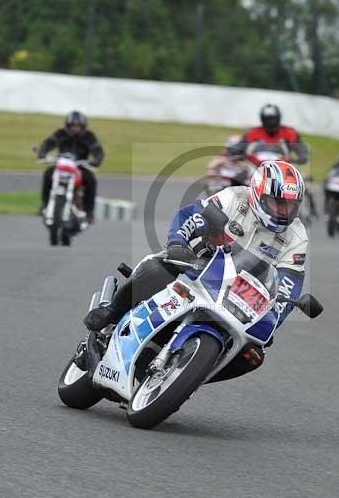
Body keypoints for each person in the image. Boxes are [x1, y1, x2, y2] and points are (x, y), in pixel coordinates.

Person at [85, 160, 308, 375]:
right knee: (157, 268)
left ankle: (193, 373)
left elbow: (289, 284)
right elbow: (191, 216)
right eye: (277, 203)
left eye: (290, 205)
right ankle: (113, 311)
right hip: (198, 265)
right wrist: (178, 243)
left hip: (239, 298)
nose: (283, 211)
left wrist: (275, 317)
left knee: (254, 354)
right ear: (258, 193)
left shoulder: (297, 237)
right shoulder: (233, 197)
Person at [38, 111, 104, 223]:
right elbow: (48, 143)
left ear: (83, 127)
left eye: (78, 127)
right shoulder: (60, 133)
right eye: (73, 126)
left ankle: (89, 211)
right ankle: (45, 205)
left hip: (80, 167)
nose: (75, 129)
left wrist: (96, 160)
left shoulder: (89, 136)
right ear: (68, 126)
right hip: (62, 165)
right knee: (48, 173)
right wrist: (42, 153)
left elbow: (97, 150)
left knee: (91, 180)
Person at [238, 104, 309, 165]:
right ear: (263, 119)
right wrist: (235, 152)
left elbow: (300, 146)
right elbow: (239, 146)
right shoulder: (253, 132)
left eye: (273, 119)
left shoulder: (288, 132)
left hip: (281, 167)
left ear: (278, 118)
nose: (271, 123)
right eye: (268, 120)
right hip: (255, 167)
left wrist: (302, 155)